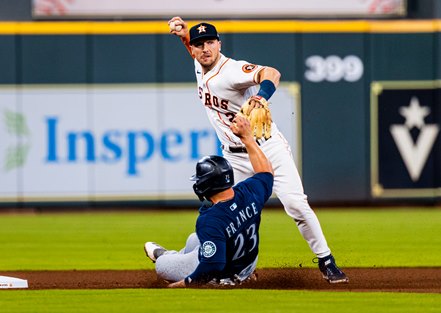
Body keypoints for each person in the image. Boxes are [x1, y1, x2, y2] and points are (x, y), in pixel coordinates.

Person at [166, 17, 349, 284]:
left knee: (296, 204)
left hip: (266, 147)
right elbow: (197, 54)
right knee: (229, 213)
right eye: (198, 45)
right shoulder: (199, 63)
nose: (205, 49)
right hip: (233, 155)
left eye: (210, 43)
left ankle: (326, 260)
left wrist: (260, 96)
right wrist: (184, 36)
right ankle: (238, 271)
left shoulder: (232, 70)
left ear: (219, 44)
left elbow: (271, 73)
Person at [144, 115, 274, 287]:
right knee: (193, 240)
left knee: (162, 266)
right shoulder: (249, 191)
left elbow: (213, 265)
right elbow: (266, 172)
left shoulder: (211, 219)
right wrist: (248, 138)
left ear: (206, 185)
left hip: (224, 275)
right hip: (248, 265)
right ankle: (175, 255)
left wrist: (183, 284)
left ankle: (166, 256)